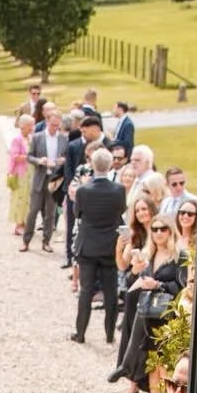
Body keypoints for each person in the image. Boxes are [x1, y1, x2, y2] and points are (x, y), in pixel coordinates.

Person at [109, 218, 187, 393]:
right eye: (155, 229)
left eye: (163, 229)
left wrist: (158, 284)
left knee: (164, 361)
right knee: (151, 359)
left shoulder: (179, 257)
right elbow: (129, 282)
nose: (158, 232)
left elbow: (182, 286)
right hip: (147, 311)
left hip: (167, 315)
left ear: (170, 231)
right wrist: (135, 272)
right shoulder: (147, 254)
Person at [68, 148, 127, 346]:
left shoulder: (84, 191)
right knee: (111, 291)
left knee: (86, 291)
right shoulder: (119, 190)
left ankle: (80, 332)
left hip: (88, 246)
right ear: (110, 165)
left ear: (93, 165)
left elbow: (78, 213)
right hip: (109, 245)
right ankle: (109, 334)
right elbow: (120, 212)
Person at [61, 115, 105, 271]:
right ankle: (71, 258)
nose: (83, 135)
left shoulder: (109, 145)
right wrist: (70, 191)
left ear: (95, 129)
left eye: (85, 132)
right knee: (72, 226)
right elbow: (69, 171)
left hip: (99, 198)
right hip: (77, 192)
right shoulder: (74, 146)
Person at [22, 105, 67, 253]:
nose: (55, 128)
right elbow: (29, 156)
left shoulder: (63, 139)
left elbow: (66, 156)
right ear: (47, 121)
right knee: (33, 210)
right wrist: (39, 160)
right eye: (53, 124)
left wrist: (62, 160)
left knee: (50, 213)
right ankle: (26, 240)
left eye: (57, 125)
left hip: (54, 179)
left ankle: (46, 241)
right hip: (40, 177)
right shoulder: (37, 137)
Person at [6, 112, 33, 235]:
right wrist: (28, 157)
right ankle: (19, 224)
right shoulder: (17, 140)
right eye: (30, 126)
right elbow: (15, 156)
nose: (32, 128)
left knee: (29, 198)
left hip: (30, 173)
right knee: (20, 198)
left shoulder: (31, 138)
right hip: (21, 173)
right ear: (23, 126)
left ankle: (26, 222)